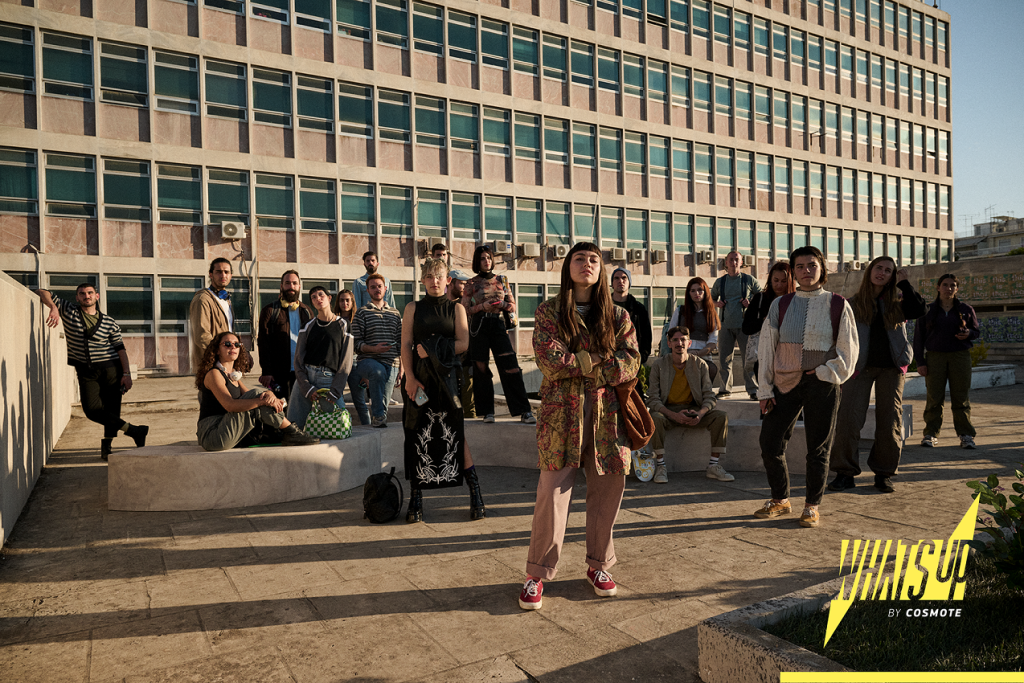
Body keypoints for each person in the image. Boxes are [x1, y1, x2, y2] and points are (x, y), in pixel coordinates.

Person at [518, 242, 640, 611]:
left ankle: (599, 565)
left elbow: (631, 361)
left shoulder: (618, 315)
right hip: (561, 416)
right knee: (551, 494)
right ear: (567, 267)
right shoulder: (549, 312)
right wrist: (598, 359)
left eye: (593, 260)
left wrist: (582, 363)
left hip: (608, 416)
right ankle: (537, 573)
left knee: (607, 491)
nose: (587, 264)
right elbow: (550, 360)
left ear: (601, 270)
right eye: (579, 258)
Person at [754, 246, 858, 529]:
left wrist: (826, 371)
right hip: (784, 382)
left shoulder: (837, 304)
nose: (806, 271)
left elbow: (848, 350)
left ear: (822, 268)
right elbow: (767, 349)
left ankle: (812, 506)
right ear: (793, 272)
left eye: (812, 265)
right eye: (799, 266)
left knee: (818, 448)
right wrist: (765, 389)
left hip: (822, 383)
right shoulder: (780, 305)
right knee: (770, 443)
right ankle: (780, 499)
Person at [828, 258, 927, 494]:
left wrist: (904, 284)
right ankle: (844, 473)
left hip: (891, 369)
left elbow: (920, 310)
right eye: (878, 268)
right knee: (848, 420)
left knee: (890, 421)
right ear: (870, 271)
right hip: (858, 369)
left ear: (893, 276)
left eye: (888, 271)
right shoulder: (852, 303)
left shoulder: (898, 302)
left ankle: (884, 473)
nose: (882, 273)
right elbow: (839, 336)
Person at [402, 257, 486, 522]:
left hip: (449, 382)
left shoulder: (456, 309)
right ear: (422, 280)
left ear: (448, 280)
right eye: (429, 276)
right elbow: (405, 345)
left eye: (439, 276)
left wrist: (431, 348)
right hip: (420, 381)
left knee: (456, 433)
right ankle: (416, 497)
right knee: (416, 433)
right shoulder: (412, 308)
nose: (434, 281)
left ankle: (475, 492)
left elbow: (463, 344)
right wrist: (409, 378)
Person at [36, 283, 148, 460]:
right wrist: (53, 307)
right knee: (91, 409)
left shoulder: (109, 322)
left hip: (111, 369)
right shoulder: (69, 310)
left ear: (97, 296)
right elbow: (41, 292)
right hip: (85, 370)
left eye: (90, 293)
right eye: (82, 293)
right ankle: (134, 430)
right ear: (77, 297)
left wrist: (126, 374)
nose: (86, 296)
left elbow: (120, 349)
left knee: (112, 409)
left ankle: (107, 448)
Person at [196, 331, 319, 451]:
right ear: (217, 350)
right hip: (213, 434)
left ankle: (287, 431)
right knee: (257, 397)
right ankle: (290, 431)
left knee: (260, 397)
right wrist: (262, 401)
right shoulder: (214, 374)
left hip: (228, 428)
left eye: (237, 344)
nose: (233, 347)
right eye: (227, 344)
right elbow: (230, 405)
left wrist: (269, 394)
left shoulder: (232, 374)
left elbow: (251, 396)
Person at [646, 326, 733, 484]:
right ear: (669, 343)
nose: (679, 343)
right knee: (654, 418)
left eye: (683, 340)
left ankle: (713, 465)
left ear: (689, 343)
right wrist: (673, 415)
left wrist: (700, 413)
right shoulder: (659, 365)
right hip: (668, 412)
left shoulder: (700, 365)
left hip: (693, 411)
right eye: (675, 340)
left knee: (721, 416)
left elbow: (709, 396)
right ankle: (660, 466)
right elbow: (652, 399)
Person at [461, 245, 535, 424]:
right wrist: (482, 307)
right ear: (477, 262)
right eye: (482, 258)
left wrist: (502, 305)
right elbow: (464, 309)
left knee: (511, 366)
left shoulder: (502, 279)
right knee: (481, 368)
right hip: (479, 325)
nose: (486, 261)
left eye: (488, 257)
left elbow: (513, 306)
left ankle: (524, 411)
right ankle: (487, 412)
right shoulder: (471, 283)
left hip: (498, 323)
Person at [914, 274, 981, 450]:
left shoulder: (966, 309)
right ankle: (931, 433)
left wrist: (969, 334)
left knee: (961, 397)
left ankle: (966, 435)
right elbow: (918, 338)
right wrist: (920, 361)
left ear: (957, 289)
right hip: (935, 357)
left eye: (952, 285)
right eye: (945, 285)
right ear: (938, 287)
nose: (948, 288)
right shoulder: (928, 310)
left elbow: (976, 331)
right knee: (934, 397)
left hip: (960, 356)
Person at [287, 286, 354, 430]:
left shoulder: (343, 325)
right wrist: (306, 387)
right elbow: (298, 359)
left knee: (340, 426)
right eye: (313, 297)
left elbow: (346, 362)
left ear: (329, 298)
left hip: (328, 380)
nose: (318, 298)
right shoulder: (307, 326)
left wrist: (336, 390)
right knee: (293, 427)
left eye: (321, 295)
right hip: (305, 378)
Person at [348, 274, 403, 428]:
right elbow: (356, 344)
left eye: (379, 286)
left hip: (392, 362)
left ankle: (378, 424)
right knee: (378, 372)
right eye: (373, 287)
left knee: (384, 403)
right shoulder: (362, 312)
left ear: (385, 289)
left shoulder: (395, 313)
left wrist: (402, 368)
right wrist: (374, 349)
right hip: (368, 361)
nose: (377, 289)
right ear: (367, 291)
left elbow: (400, 343)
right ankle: (378, 416)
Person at [711, 251, 762, 398]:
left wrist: (750, 303)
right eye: (731, 260)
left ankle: (753, 390)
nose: (734, 262)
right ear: (726, 262)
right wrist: (717, 303)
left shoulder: (749, 280)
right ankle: (724, 389)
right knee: (724, 360)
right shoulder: (720, 282)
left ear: (741, 262)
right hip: (725, 326)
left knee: (749, 359)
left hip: (745, 326)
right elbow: (710, 299)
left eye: (736, 260)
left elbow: (761, 297)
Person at [257, 270, 313, 400]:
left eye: (294, 283)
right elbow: (263, 343)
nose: (291, 286)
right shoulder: (270, 310)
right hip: (278, 374)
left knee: (300, 408)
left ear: (299, 286)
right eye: (287, 283)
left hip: (302, 372)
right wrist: (266, 371)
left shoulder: (307, 311)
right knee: (279, 408)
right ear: (281, 286)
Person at [742, 262, 795, 381]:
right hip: (762, 356)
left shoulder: (796, 301)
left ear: (790, 281)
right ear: (770, 279)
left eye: (783, 281)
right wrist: (764, 320)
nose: (779, 285)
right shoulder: (760, 299)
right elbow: (746, 328)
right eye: (776, 280)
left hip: (788, 357)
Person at [662, 278, 720, 381]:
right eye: (692, 290)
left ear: (705, 291)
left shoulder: (711, 314)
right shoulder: (680, 311)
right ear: (688, 293)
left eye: (700, 290)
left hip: (703, 354)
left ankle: (705, 391)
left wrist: (698, 353)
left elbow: (712, 342)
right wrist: (684, 352)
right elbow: (670, 334)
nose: (696, 293)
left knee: (711, 369)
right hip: (681, 353)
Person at [190, 258, 234, 375]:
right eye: (218, 272)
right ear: (211, 275)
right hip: (211, 365)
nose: (223, 275)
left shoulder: (226, 300)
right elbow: (202, 336)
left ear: (231, 275)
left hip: (225, 363)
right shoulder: (203, 299)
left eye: (226, 272)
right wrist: (219, 358)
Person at [611, 266, 652, 371]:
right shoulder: (603, 307)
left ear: (629, 283)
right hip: (607, 360)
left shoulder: (639, 309)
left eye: (624, 278)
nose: (620, 281)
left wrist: (641, 358)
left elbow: (646, 335)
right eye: (616, 278)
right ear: (612, 283)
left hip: (632, 361)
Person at [448, 268, 476, 419]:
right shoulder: (443, 306)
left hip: (467, 359)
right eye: (461, 283)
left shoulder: (466, 304)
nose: (464, 287)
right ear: (450, 283)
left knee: (469, 404)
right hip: (448, 360)